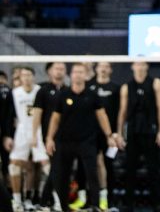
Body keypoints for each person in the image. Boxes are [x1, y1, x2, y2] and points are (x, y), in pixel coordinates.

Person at [45, 63, 118, 212]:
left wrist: (109, 135)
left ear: (85, 75)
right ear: (71, 75)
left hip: (87, 141)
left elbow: (102, 115)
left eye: (81, 72)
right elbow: (55, 118)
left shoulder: (92, 95)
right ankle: (63, 206)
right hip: (65, 142)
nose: (78, 75)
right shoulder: (63, 95)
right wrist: (49, 138)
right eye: (75, 72)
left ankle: (96, 205)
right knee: (62, 175)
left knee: (92, 173)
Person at [117, 60, 160, 212]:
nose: (140, 67)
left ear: (147, 67)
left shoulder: (155, 83)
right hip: (132, 132)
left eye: (143, 64)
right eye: (137, 64)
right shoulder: (126, 87)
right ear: (132, 67)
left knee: (154, 169)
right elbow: (122, 111)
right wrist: (119, 133)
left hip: (150, 131)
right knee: (130, 169)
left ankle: (157, 204)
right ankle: (129, 204)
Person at [9, 67, 50, 212]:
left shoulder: (40, 90)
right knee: (14, 165)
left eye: (29, 75)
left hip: (38, 130)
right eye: (23, 75)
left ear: (33, 76)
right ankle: (17, 201)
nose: (26, 78)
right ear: (20, 78)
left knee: (46, 165)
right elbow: (10, 115)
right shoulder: (14, 93)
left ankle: (51, 199)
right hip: (21, 131)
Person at [32, 62, 66, 210]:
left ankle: (47, 201)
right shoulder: (43, 90)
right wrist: (34, 135)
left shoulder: (68, 90)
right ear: (49, 72)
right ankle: (49, 201)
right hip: (48, 137)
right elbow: (37, 114)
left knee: (59, 169)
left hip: (66, 137)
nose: (59, 72)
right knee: (55, 168)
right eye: (56, 69)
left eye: (62, 69)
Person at [90, 61, 120, 210]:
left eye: (106, 66)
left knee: (109, 165)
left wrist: (115, 133)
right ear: (96, 69)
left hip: (109, 135)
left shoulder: (116, 88)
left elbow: (120, 113)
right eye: (100, 66)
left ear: (110, 70)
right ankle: (92, 199)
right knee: (90, 165)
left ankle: (109, 200)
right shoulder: (89, 86)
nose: (103, 69)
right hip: (90, 134)